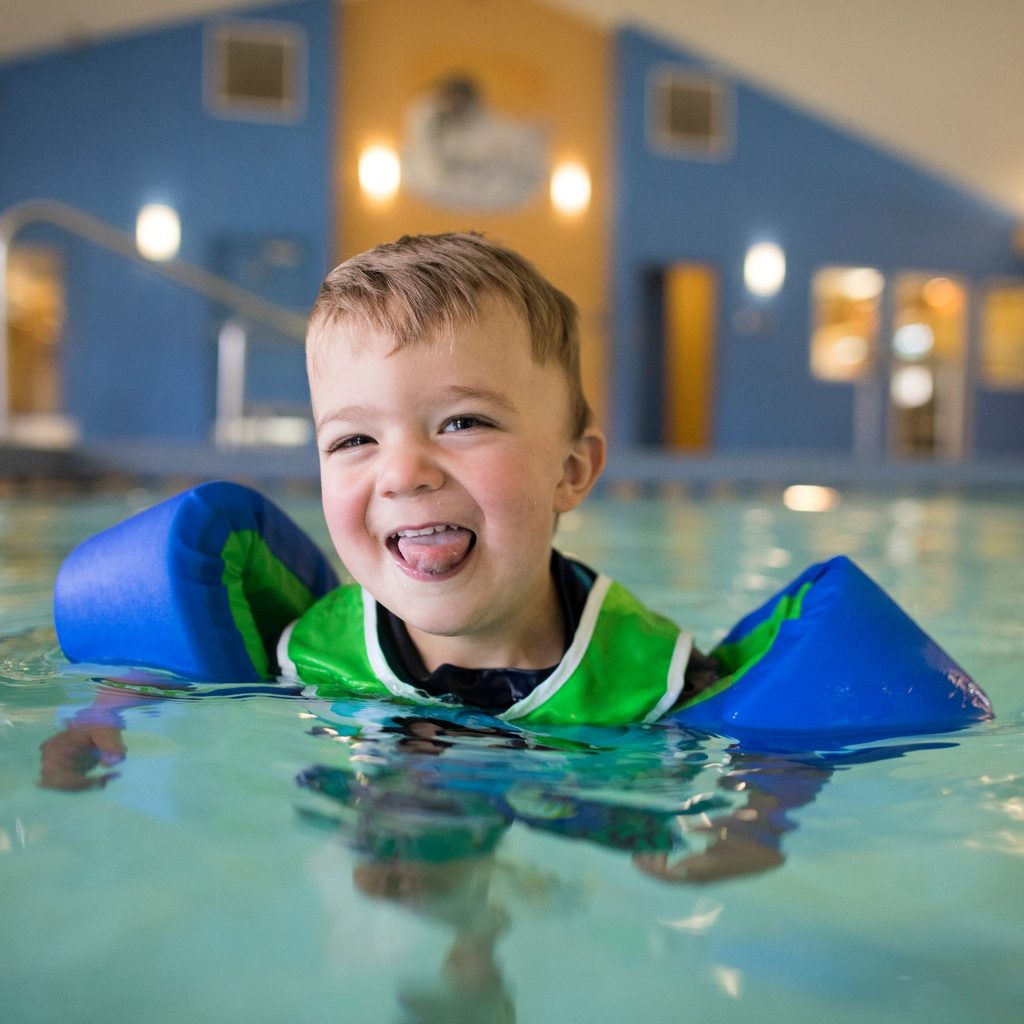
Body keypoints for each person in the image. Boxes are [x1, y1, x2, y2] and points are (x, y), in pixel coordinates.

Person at [279, 231, 721, 725]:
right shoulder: (306, 660)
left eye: (462, 423)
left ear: (570, 471)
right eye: (354, 440)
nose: (403, 475)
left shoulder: (662, 684)